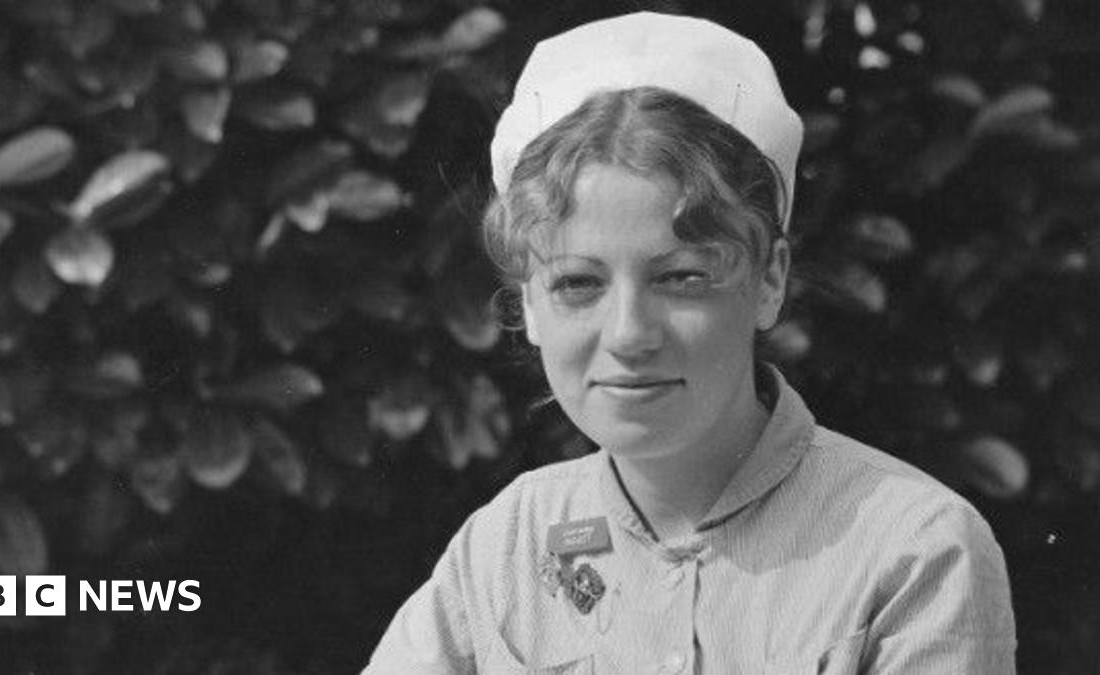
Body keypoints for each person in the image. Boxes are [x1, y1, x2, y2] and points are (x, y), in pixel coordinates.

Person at [364, 12, 1016, 674]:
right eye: (578, 284)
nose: (629, 334)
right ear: (529, 302)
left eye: (682, 278)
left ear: (769, 280)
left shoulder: (914, 550)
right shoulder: (507, 545)